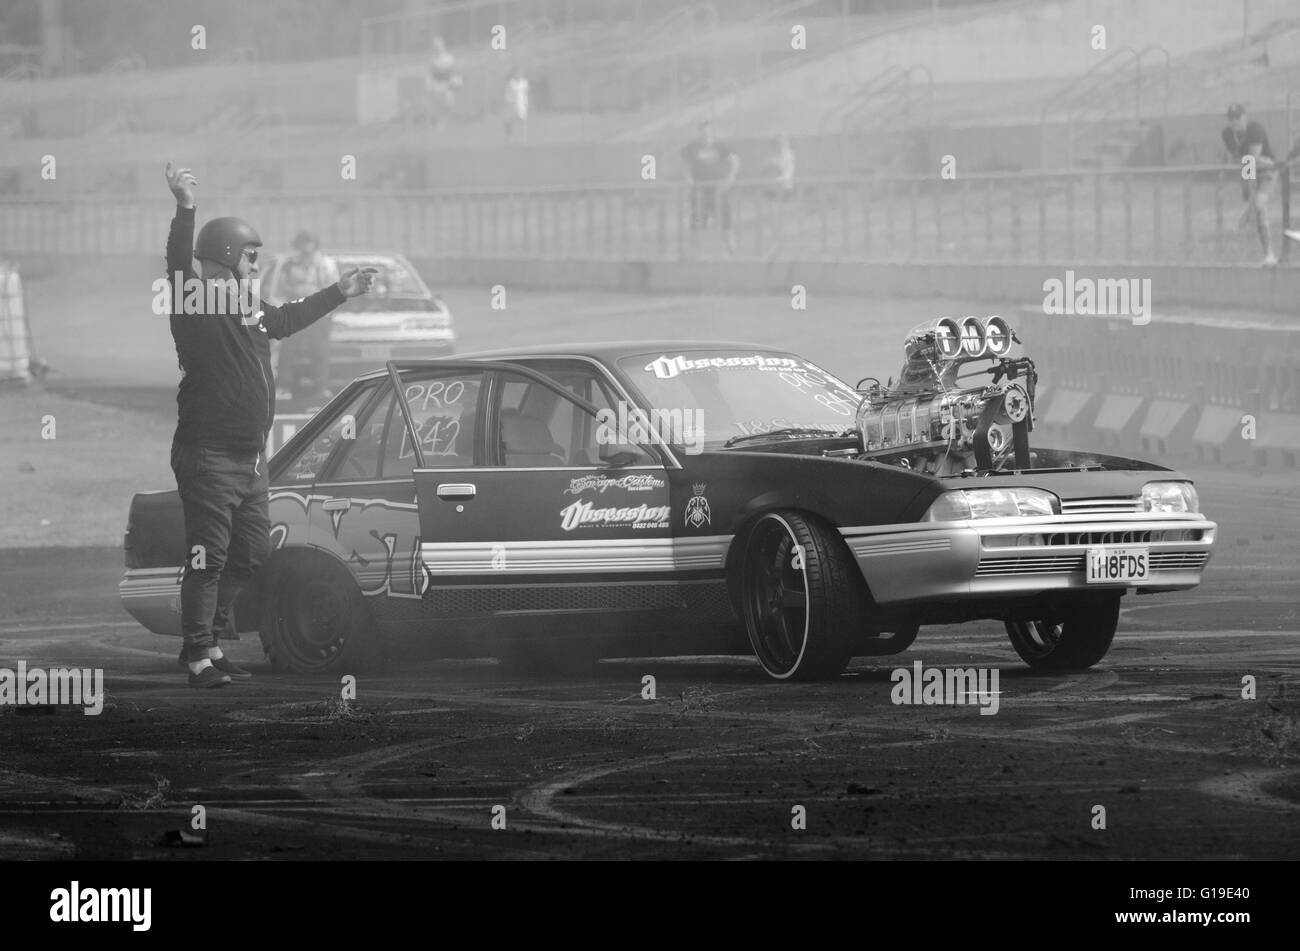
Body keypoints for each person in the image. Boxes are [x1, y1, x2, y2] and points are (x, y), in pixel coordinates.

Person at [163, 162, 375, 687]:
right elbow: (176, 267)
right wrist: (185, 208)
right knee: (207, 557)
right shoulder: (196, 306)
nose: (258, 267)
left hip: (249, 461)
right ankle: (196, 657)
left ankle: (211, 642)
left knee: (251, 553)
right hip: (208, 455)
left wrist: (339, 292)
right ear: (229, 258)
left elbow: (287, 320)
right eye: (251, 258)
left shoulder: (252, 311)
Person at [279, 230, 340, 400]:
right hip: (296, 312)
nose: (305, 248)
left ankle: (320, 388)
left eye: (308, 243)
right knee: (288, 350)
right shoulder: (290, 264)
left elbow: (333, 288)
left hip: (319, 315)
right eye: (302, 243)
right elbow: (283, 287)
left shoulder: (326, 264)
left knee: (319, 351)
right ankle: (284, 386)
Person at [1221, 103, 1278, 266]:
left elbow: (1251, 158)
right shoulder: (1227, 133)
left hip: (1267, 171)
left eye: (1237, 118)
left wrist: (1247, 160)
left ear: (1244, 116)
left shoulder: (1255, 128)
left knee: (1259, 205)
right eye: (1231, 119)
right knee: (1254, 207)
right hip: (1249, 170)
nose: (1234, 122)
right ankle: (1266, 253)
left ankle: (1269, 254)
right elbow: (1238, 160)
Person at [680, 120, 740, 255]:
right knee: (696, 223)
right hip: (699, 191)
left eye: (708, 132)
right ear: (698, 134)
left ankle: (732, 251)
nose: (705, 135)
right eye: (702, 132)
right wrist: (688, 178)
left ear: (712, 133)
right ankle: (694, 253)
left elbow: (735, 161)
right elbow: (685, 163)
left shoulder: (721, 146)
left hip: (719, 191)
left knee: (726, 222)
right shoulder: (692, 148)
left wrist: (730, 179)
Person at [503, 66, 530, 143]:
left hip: (522, 105)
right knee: (509, 121)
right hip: (512, 106)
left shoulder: (524, 83)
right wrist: (510, 101)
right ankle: (509, 138)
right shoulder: (511, 83)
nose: (519, 74)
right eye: (517, 72)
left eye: (521, 72)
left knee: (522, 122)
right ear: (514, 73)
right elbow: (507, 94)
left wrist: (527, 103)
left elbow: (527, 93)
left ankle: (523, 139)